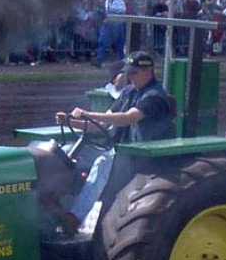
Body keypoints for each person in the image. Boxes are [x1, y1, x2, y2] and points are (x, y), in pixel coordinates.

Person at [55, 51, 175, 233]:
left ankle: (74, 219)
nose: (130, 77)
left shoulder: (155, 97)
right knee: (66, 154)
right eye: (128, 73)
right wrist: (70, 121)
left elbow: (127, 118)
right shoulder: (128, 92)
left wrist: (87, 113)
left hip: (143, 157)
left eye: (134, 73)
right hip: (120, 152)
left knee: (104, 162)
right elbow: (102, 124)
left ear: (148, 72)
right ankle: (55, 210)